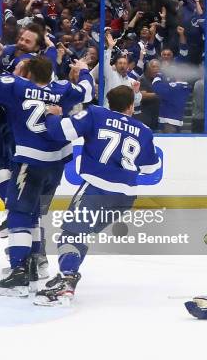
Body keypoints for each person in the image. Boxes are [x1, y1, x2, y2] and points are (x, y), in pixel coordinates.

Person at [0, 42, 93, 296]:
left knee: (19, 213)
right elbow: (86, 91)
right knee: (35, 213)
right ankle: (34, 264)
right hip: (56, 165)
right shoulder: (63, 88)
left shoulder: (17, 86)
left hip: (30, 161)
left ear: (29, 74)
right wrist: (83, 69)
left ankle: (18, 272)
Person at [34, 85, 162, 306]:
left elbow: (61, 131)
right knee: (81, 234)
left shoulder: (96, 113)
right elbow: (151, 168)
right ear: (132, 106)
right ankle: (68, 275)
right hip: (124, 198)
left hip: (96, 189)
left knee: (71, 235)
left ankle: (67, 280)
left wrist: (51, 115)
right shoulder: (144, 130)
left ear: (108, 102)